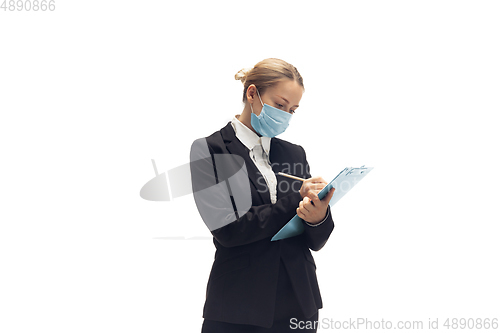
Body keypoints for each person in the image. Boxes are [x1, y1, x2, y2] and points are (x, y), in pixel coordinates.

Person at [190, 58, 335, 332]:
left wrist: (318, 216)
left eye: (293, 110)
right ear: (252, 93)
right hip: (238, 305)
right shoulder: (211, 150)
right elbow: (229, 229)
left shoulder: (294, 153)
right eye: (280, 105)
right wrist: (295, 202)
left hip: (298, 302)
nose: (286, 115)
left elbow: (314, 241)